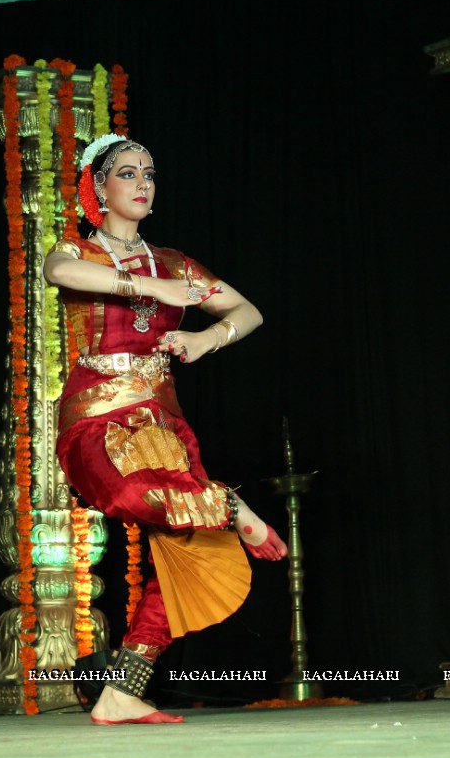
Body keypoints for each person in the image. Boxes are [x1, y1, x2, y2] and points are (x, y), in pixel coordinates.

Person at [44, 134, 287, 725]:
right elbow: (59, 273)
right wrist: (150, 288)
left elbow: (247, 311)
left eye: (150, 173)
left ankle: (123, 690)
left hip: (161, 419)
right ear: (99, 187)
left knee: (190, 550)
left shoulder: (176, 262)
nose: (143, 183)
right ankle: (230, 504)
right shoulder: (81, 252)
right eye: (128, 173)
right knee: (130, 496)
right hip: (98, 415)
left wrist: (206, 337)